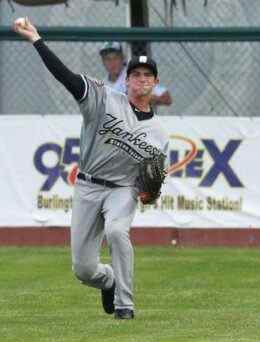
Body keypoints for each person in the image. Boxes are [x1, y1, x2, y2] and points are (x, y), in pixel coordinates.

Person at [13, 17, 169, 320]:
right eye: (135, 74)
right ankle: (108, 281)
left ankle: (125, 305)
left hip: (122, 189)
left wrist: (149, 193)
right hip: (88, 185)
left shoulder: (160, 136)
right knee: (83, 269)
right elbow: (67, 78)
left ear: (154, 82)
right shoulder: (103, 98)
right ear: (127, 80)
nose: (141, 79)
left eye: (147, 75)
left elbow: (151, 187)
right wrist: (36, 39)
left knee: (116, 232)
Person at [99, 41, 172, 107]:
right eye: (108, 59)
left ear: (122, 58)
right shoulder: (103, 86)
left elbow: (166, 98)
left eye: (115, 58)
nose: (112, 63)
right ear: (103, 61)